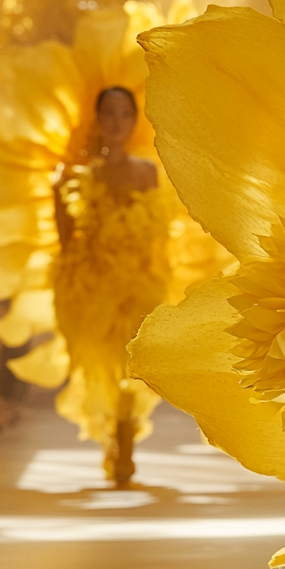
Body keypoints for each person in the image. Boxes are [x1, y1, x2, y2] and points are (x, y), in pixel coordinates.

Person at [50, 86, 171, 486]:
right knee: (101, 369)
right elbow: (68, 240)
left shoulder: (147, 171)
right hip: (93, 283)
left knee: (130, 366)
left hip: (138, 282)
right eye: (109, 113)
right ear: (98, 120)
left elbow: (156, 235)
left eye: (124, 113)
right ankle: (112, 440)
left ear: (134, 121)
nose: (117, 120)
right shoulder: (80, 174)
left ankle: (125, 439)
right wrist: (58, 194)